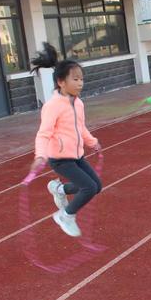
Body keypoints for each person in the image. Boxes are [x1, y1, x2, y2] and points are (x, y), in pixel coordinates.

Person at [30, 43, 102, 237]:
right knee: (88, 187)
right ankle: (65, 216)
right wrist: (40, 156)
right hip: (60, 158)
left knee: (97, 187)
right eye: (75, 79)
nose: (80, 83)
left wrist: (92, 141)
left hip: (77, 155)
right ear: (61, 82)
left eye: (82, 79)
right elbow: (43, 133)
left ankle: (60, 189)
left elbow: (80, 127)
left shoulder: (78, 103)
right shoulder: (53, 106)